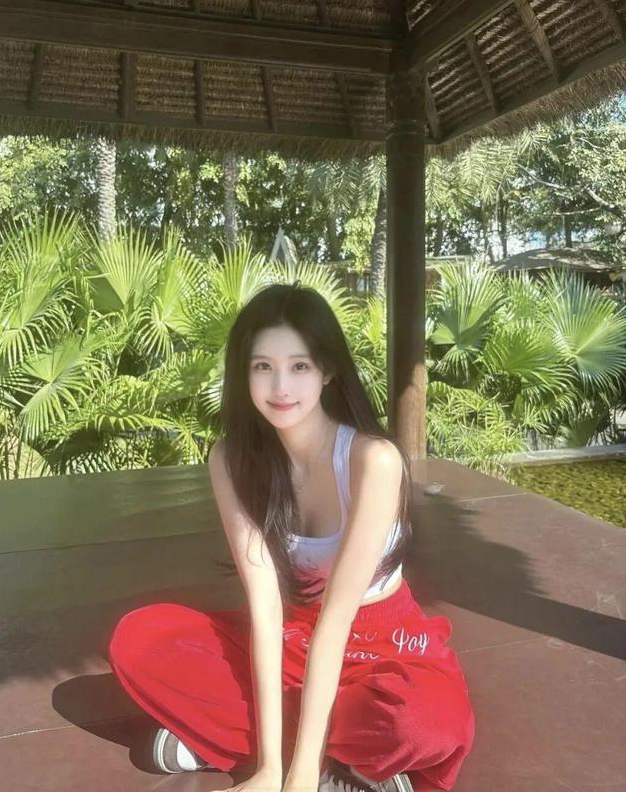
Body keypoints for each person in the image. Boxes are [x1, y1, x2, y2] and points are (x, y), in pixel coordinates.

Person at [108, 282, 475, 792]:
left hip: (379, 644)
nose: (280, 386)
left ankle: (240, 740)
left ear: (327, 370)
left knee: (422, 723)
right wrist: (268, 771)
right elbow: (264, 606)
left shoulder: (373, 462)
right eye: (263, 366)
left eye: (299, 366)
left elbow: (336, 620)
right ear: (244, 373)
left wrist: (296, 779)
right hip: (290, 637)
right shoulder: (231, 460)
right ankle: (334, 758)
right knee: (139, 640)